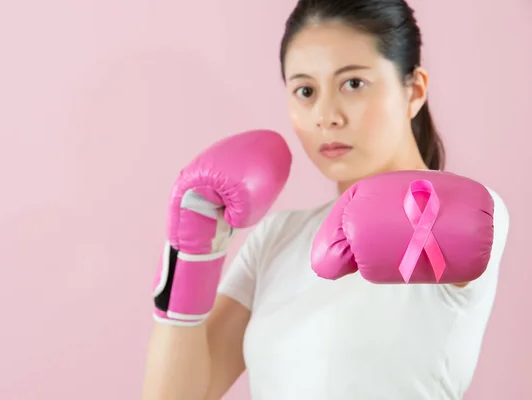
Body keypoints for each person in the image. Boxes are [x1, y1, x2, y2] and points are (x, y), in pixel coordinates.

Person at [141, 0, 510, 399]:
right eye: (305, 90)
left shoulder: (457, 216)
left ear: (415, 90)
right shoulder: (277, 237)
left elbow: (468, 228)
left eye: (353, 83)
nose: (326, 115)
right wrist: (190, 256)